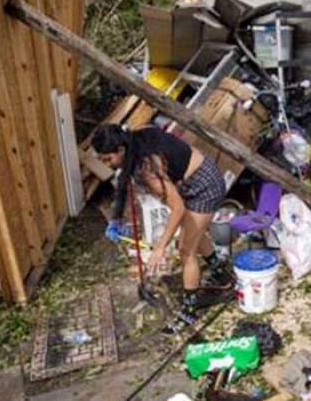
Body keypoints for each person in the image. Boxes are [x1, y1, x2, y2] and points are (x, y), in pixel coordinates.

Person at [92, 124, 228, 332]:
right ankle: (220, 274)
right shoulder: (134, 140)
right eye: (102, 160)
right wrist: (116, 218)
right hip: (191, 181)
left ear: (121, 149)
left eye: (108, 159)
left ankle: (189, 311)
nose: (107, 164)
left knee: (186, 250)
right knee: (193, 233)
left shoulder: (147, 167)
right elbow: (124, 182)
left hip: (205, 185)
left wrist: (160, 247)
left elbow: (178, 208)